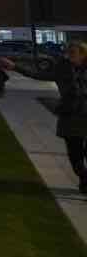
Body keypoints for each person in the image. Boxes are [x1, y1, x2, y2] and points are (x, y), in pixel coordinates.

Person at [53, 41, 87, 194]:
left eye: (73, 53)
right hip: (70, 117)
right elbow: (40, 74)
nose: (69, 55)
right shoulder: (64, 68)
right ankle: (84, 179)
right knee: (75, 154)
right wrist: (15, 67)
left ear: (83, 53)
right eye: (68, 52)